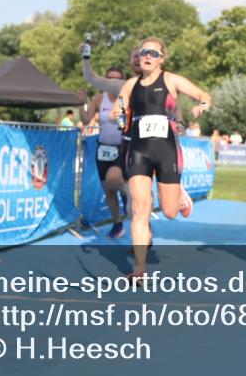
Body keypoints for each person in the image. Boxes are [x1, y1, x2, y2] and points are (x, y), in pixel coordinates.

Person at [114, 37, 212, 282]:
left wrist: (202, 105)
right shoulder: (130, 84)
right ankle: (139, 270)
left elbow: (203, 95)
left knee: (169, 212)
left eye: (154, 53)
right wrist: (118, 115)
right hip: (139, 150)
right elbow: (118, 108)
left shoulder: (171, 80)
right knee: (140, 208)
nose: (148, 56)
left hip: (166, 149)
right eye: (144, 52)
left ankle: (179, 195)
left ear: (161, 59)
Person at [81, 56, 131, 239]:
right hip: (103, 149)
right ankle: (118, 223)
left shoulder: (127, 98)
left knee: (114, 181)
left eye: (117, 79)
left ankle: (132, 201)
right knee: (108, 190)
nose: (113, 82)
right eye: (109, 78)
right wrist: (81, 102)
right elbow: (86, 120)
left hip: (122, 148)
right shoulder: (99, 98)